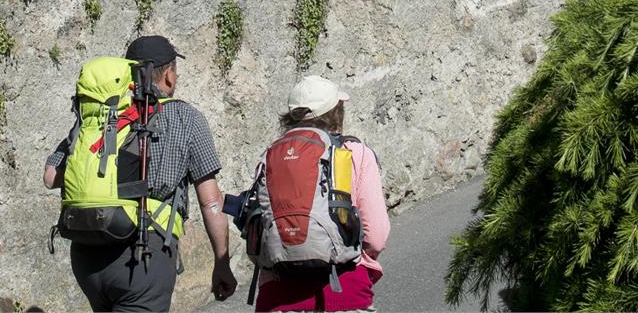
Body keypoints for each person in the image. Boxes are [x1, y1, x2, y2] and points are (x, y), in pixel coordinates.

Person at [46, 33, 240, 310]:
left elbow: (50, 176)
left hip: (87, 254)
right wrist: (221, 262)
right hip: (143, 254)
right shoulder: (186, 118)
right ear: (169, 75)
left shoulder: (101, 116)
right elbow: (210, 202)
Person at [249, 76, 389, 312]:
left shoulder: (270, 157)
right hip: (345, 291)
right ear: (337, 112)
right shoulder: (354, 153)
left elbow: (255, 233)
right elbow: (377, 235)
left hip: (278, 295)